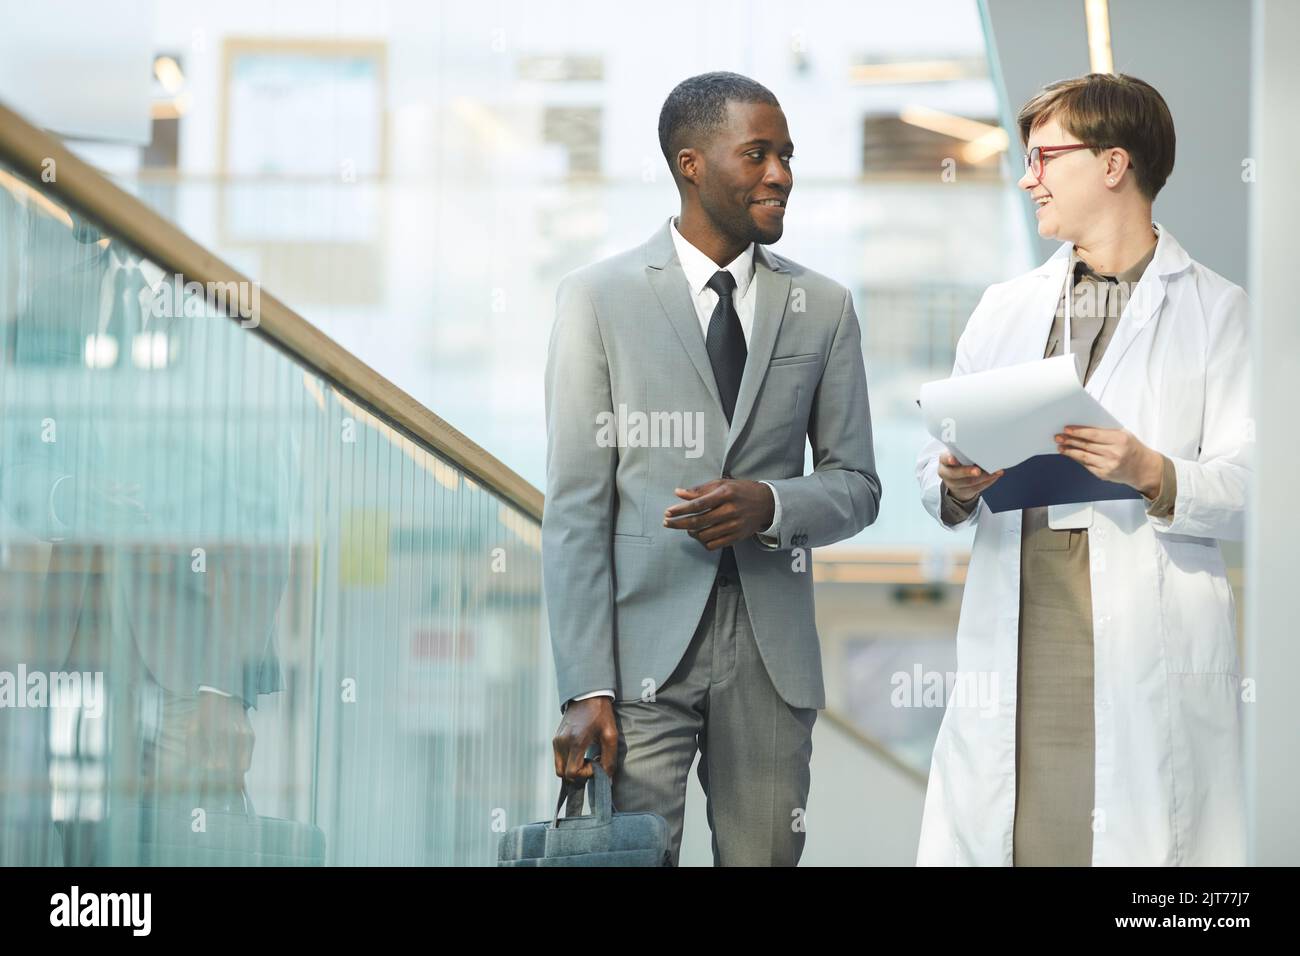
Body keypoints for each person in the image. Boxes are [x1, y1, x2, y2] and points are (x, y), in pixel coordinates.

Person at [544, 71, 880, 866]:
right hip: (638, 661)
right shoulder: (597, 299)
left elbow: (858, 486)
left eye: (788, 156)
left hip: (771, 655)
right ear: (691, 163)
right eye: (758, 154)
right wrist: (586, 686)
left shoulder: (824, 307)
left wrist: (770, 504)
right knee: (629, 858)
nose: (781, 176)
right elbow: (576, 509)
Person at [915, 73, 1250, 866]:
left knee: (1144, 846)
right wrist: (953, 480)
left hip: (1144, 625)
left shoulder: (1216, 310)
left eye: (1044, 158)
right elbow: (937, 453)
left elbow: (1254, 487)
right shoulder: (1006, 306)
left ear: (1113, 165)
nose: (1027, 178)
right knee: (1021, 831)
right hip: (1025, 616)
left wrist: (1153, 469)